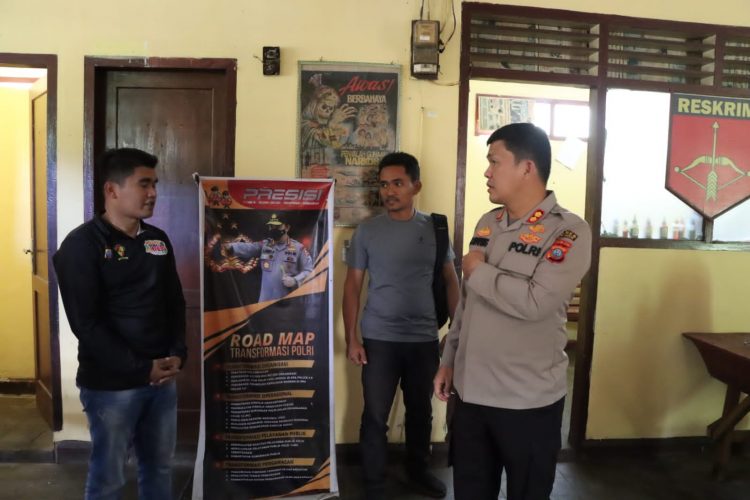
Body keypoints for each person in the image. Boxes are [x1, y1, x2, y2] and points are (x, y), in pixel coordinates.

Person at [434, 123, 592, 500]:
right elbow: (468, 304)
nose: (487, 172)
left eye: (494, 162)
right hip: (472, 396)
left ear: (527, 168)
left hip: (527, 402)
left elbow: (536, 302)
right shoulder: (487, 223)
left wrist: (479, 271)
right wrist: (449, 359)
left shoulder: (569, 232)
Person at [53, 147, 186, 500]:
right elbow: (86, 324)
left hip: (161, 380)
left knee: (159, 467)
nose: (153, 193)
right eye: (144, 184)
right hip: (111, 386)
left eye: (155, 184)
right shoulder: (81, 246)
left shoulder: (157, 240)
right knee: (109, 477)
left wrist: (178, 352)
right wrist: (141, 368)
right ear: (112, 190)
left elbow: (174, 302)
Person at [343, 152, 460, 500]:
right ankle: (374, 482)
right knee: (375, 415)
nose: (389, 191)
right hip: (379, 339)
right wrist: (352, 338)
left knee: (420, 411)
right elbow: (352, 286)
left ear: (415, 186)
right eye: (383, 184)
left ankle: (418, 471)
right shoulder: (367, 231)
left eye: (397, 183)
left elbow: (451, 280)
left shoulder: (435, 229)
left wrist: (455, 333)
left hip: (423, 338)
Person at [224, 213, 313, 302]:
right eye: (271, 226)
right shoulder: (265, 245)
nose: (274, 229)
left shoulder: (299, 248)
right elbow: (249, 248)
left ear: (287, 227)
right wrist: (230, 247)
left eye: (277, 226)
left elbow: (309, 270)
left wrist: (295, 280)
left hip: (288, 303)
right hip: (265, 302)